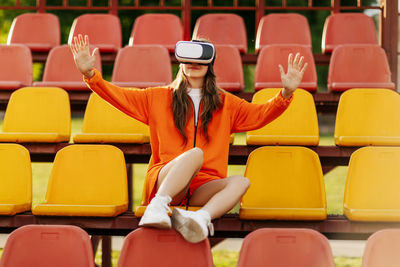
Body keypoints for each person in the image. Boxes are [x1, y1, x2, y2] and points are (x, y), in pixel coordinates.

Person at [70, 35, 307, 243]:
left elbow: (260, 115)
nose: (193, 65)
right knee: (195, 154)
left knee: (241, 183)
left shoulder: (227, 104)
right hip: (165, 179)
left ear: (210, 64)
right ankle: (157, 207)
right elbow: (118, 96)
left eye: (200, 59)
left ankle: (199, 219)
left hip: (202, 185)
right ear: (180, 62)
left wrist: (285, 94)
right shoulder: (157, 97)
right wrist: (90, 75)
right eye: (188, 59)